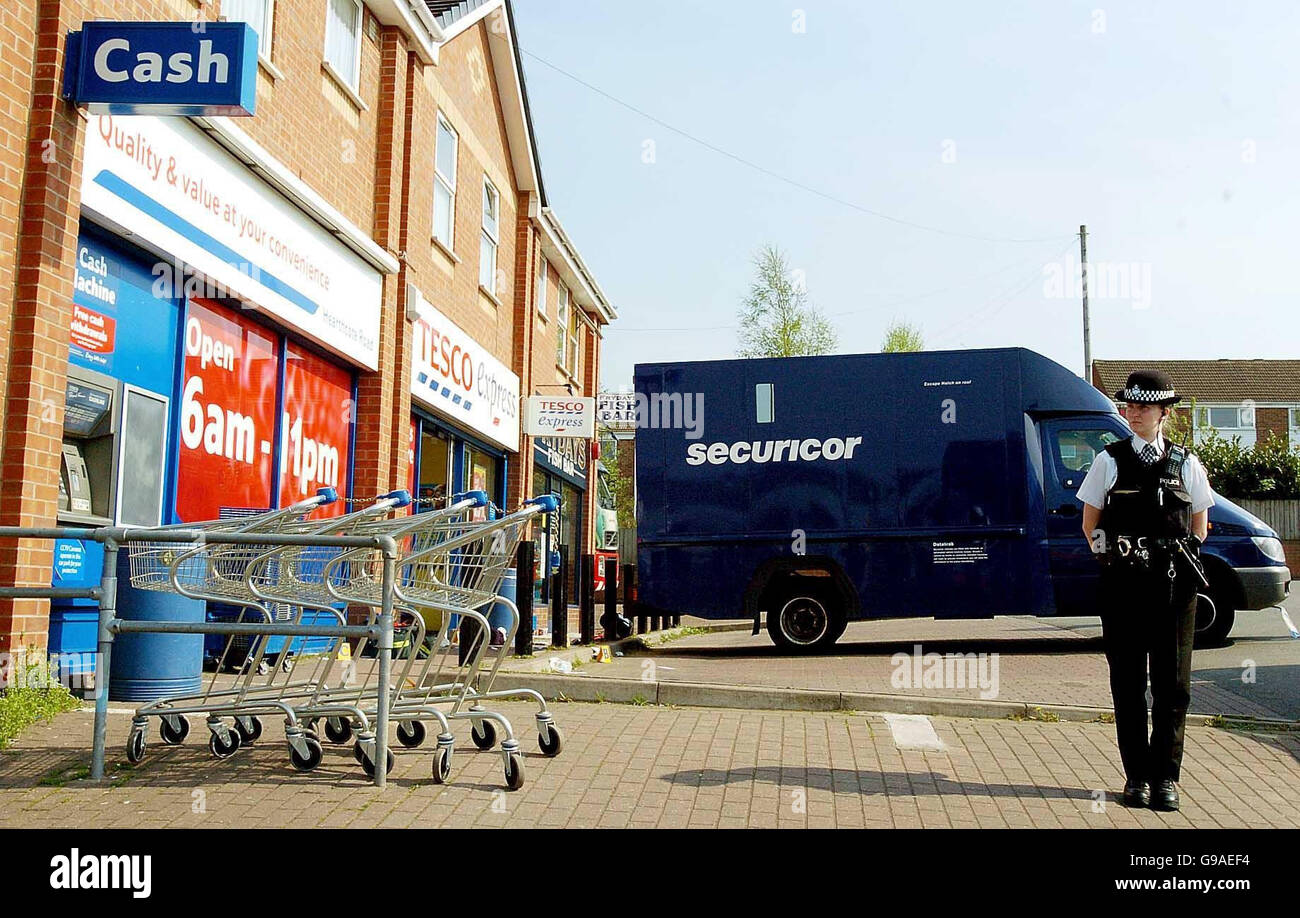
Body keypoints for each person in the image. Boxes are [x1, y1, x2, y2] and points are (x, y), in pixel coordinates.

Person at [1075, 369, 1214, 811]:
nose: (1132, 413)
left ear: (1164, 413)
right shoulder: (1109, 460)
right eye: (1129, 406)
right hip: (1124, 591)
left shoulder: (1186, 462)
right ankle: (1136, 776)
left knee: (1173, 687)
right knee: (1129, 684)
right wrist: (1109, 559)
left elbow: (1200, 524)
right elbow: (1089, 524)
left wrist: (1177, 553)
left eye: (1143, 407)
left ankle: (1166, 779)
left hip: (1175, 592)